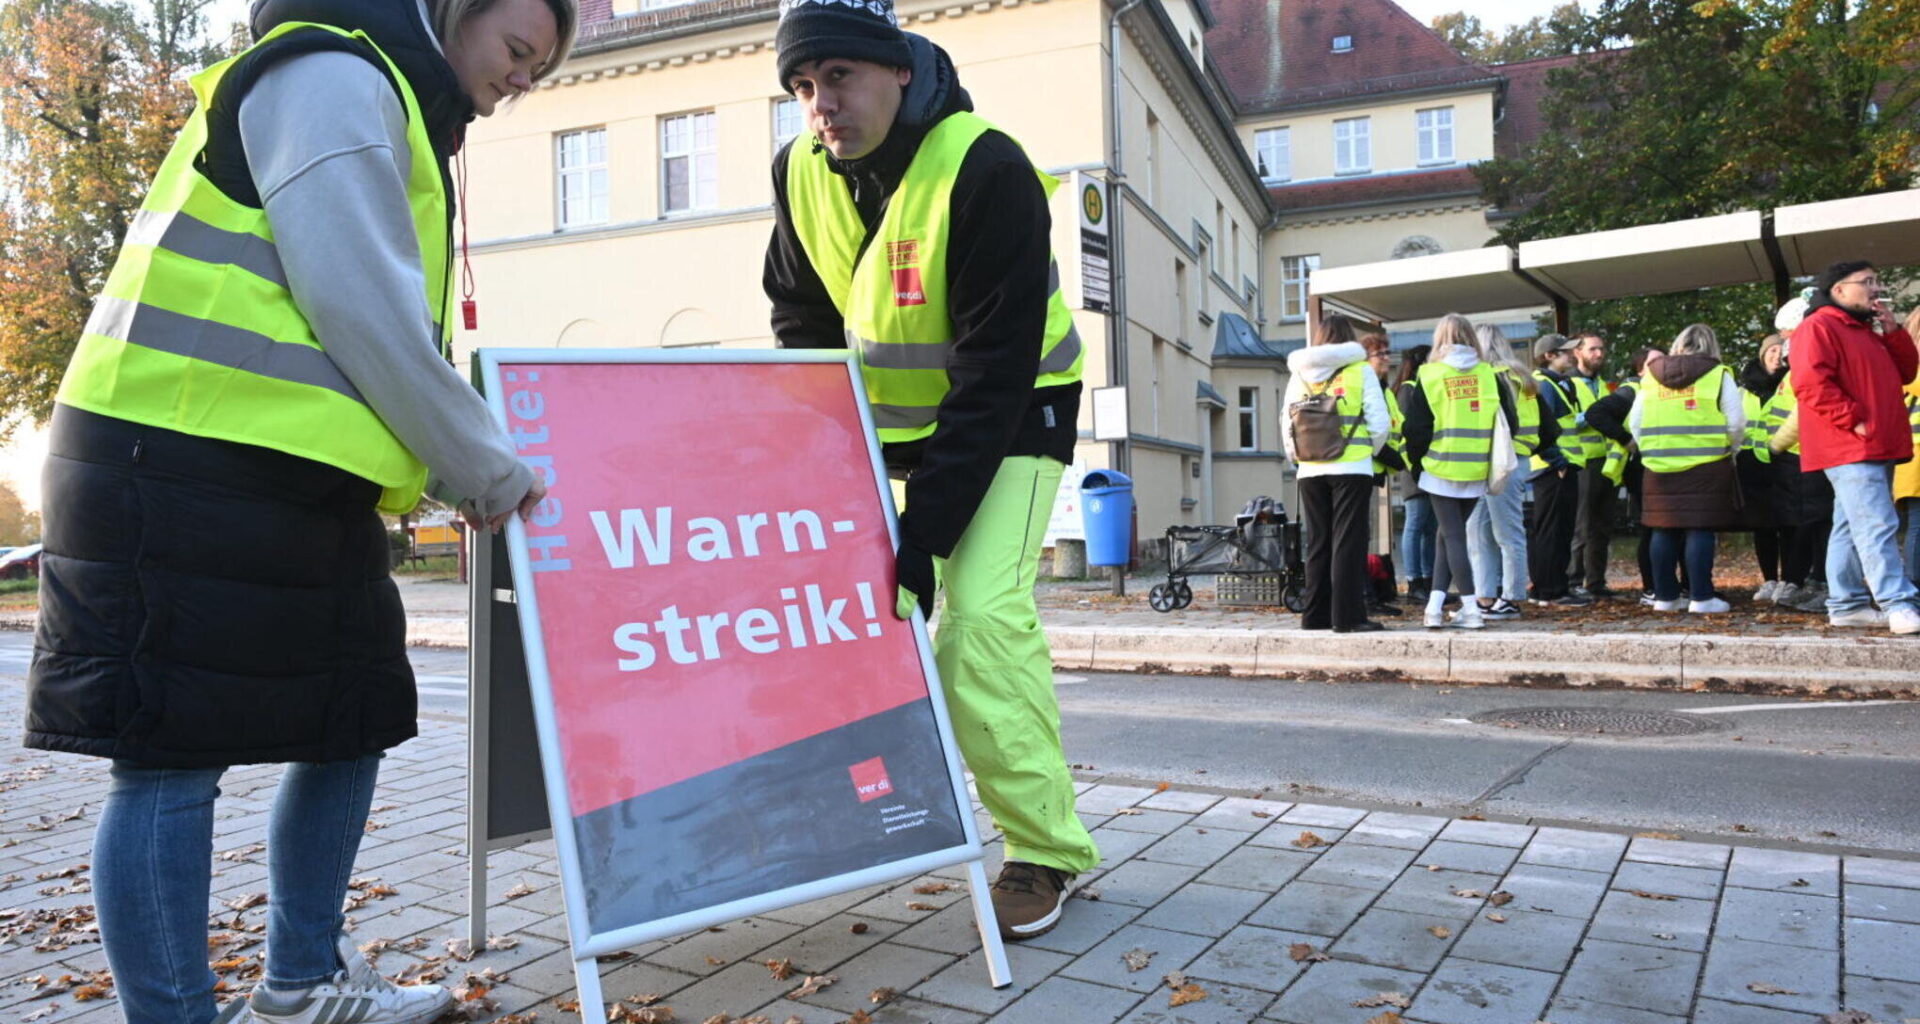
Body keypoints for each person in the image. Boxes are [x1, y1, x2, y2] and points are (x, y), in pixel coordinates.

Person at [23, 1, 575, 1023]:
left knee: (349, 719)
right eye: (517, 51)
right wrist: (486, 470)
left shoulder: (395, 101)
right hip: (174, 456)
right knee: (166, 761)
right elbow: (358, 299)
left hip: (292, 474)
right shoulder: (329, 73)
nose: (524, 79)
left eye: (541, 65)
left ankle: (304, 980)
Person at [763, 0, 1097, 938]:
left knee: (978, 621)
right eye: (801, 85)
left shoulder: (988, 167)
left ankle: (1045, 850)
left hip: (1019, 415)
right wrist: (827, 476)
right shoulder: (799, 172)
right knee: (863, 622)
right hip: (887, 434)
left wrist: (926, 535)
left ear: (898, 68)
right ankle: (870, 808)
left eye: (838, 76)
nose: (820, 103)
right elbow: (803, 327)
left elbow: (991, 378)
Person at [1790, 260, 1920, 634]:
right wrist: (1853, 419)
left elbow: (1907, 373)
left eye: (1876, 280)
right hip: (1851, 444)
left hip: (1873, 442)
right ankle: (1897, 602)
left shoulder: (1862, 329)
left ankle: (1847, 604)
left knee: (1850, 525)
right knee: (1877, 522)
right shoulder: (1818, 326)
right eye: (1867, 282)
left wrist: (1894, 330)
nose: (1876, 288)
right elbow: (1810, 383)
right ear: (1839, 290)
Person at [1402, 314, 1519, 630]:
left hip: (1440, 465)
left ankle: (1471, 608)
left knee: (1452, 538)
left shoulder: (1429, 374)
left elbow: (1415, 429)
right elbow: (1512, 423)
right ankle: (1434, 606)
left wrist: (1417, 465)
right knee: (1446, 537)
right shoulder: (1490, 375)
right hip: (1477, 469)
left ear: (1440, 339)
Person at [1282, 314, 1391, 632]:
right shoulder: (1360, 370)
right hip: (1351, 466)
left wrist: (1298, 459)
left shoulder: (1299, 375)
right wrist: (1367, 451)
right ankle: (1348, 617)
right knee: (1348, 542)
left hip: (1310, 469)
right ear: (1348, 339)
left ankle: (1314, 615)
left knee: (1318, 543)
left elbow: (1287, 423)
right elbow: (1379, 422)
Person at [1629, 326, 1744, 613]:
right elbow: (1736, 422)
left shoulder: (1652, 376)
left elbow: (1635, 422)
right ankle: (1702, 598)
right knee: (1699, 527)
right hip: (1706, 465)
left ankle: (1665, 598)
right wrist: (1730, 449)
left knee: (1662, 529)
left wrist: (1652, 449)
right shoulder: (1718, 375)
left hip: (1658, 465)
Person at [1466, 325, 1555, 620]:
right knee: (1493, 532)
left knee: (1489, 534)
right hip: (1517, 460)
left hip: (1495, 462)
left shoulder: (1491, 378)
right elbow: (1549, 428)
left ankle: (1504, 598)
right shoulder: (1523, 378)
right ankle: (1492, 597)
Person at [1764, 297, 1836, 612]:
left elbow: (1802, 410)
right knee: (1815, 524)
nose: (1784, 342)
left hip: (1806, 454)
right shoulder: (1799, 360)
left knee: (1819, 524)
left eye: (1787, 333)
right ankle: (1815, 581)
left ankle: (1822, 583)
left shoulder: (1806, 357)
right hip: (1802, 456)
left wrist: (1774, 445)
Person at [1583, 346, 1662, 603]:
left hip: (1662, 468)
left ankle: (1668, 585)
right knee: (1650, 526)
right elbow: (1595, 413)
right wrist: (1626, 439)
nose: (1663, 365)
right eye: (1655, 362)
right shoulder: (1633, 390)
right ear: (1640, 370)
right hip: (1638, 469)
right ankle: (1651, 587)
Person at [1527, 334, 1591, 607]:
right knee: (1553, 531)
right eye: (1565, 352)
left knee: (1560, 530)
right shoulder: (1544, 385)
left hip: (1562, 466)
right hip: (1554, 469)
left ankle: (1554, 586)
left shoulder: (1556, 383)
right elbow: (1541, 428)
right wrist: (1558, 462)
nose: (1571, 356)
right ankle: (1550, 589)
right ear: (1550, 356)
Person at [1738, 334, 1791, 601]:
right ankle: (1769, 579)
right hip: (1752, 466)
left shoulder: (1791, 382)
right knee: (1763, 526)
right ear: (1762, 355)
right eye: (1771, 350)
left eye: (1781, 350)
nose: (1775, 354)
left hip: (1785, 459)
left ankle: (1791, 580)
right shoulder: (1744, 389)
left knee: (1790, 523)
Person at [1565, 330, 1615, 598]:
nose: (1598, 354)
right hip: (1582, 461)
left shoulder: (1605, 385)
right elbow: (1564, 421)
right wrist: (1594, 416)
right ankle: (1573, 580)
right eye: (1593, 349)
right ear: (1578, 352)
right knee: (1582, 526)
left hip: (1606, 462)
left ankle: (1596, 582)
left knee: (1602, 525)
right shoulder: (1569, 384)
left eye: (1601, 349)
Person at [1360, 331, 1406, 615]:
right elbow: (1370, 432)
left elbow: (1393, 427)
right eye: (1381, 354)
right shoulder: (1367, 386)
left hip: (1378, 471)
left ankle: (1375, 594)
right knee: (1360, 536)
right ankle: (1366, 599)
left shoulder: (1384, 388)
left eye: (1388, 353)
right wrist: (1396, 459)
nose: (1387, 358)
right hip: (1366, 468)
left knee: (1370, 537)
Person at [1392, 345, 1436, 598]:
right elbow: (1409, 433)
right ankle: (1414, 582)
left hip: (1425, 466)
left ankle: (1428, 580)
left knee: (1429, 526)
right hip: (1415, 469)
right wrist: (1415, 466)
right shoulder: (1409, 390)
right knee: (1416, 524)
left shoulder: (1416, 388)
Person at [1897, 307, 1920, 587]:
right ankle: (1914, 587)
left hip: (1911, 457)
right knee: (1918, 525)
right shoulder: (1911, 367)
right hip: (1915, 456)